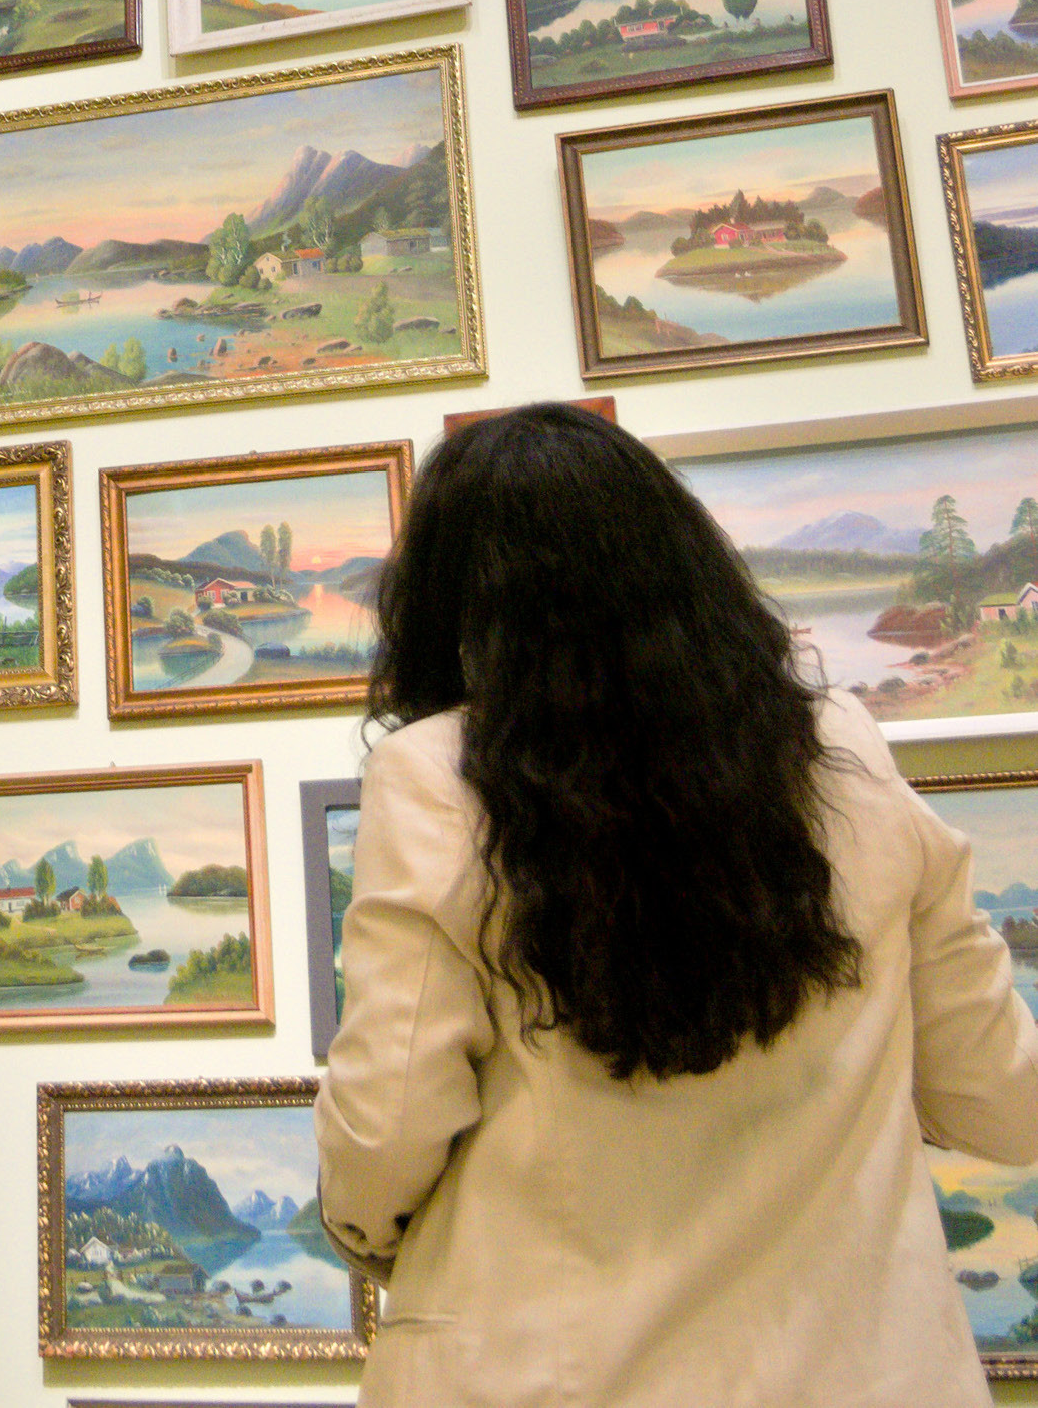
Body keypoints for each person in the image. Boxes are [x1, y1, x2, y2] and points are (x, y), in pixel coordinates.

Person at [316, 402, 1038, 1408]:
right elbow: (1003, 1095)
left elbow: (389, 1120)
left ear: (449, 599)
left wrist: (363, 1228)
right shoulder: (846, 750)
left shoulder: (435, 774)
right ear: (684, 561)